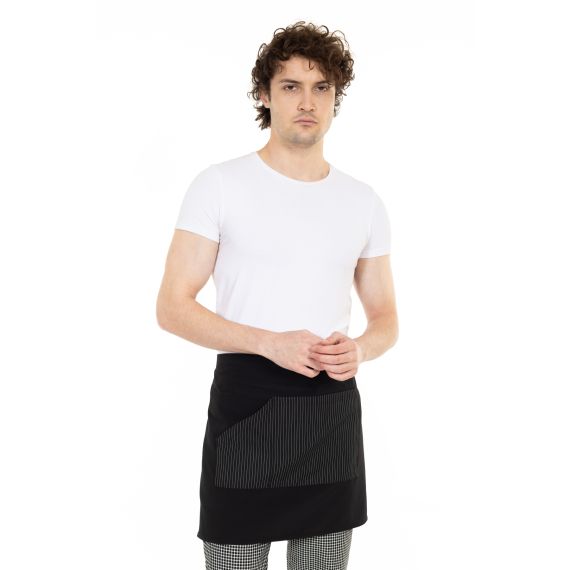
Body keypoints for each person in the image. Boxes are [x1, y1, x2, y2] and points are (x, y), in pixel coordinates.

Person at [156, 20, 399, 570]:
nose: (307, 102)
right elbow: (172, 307)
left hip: (329, 411)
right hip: (247, 406)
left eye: (321, 87)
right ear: (265, 96)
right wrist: (269, 343)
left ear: (336, 98)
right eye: (291, 86)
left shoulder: (363, 201)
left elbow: (386, 317)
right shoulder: (220, 184)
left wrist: (360, 349)